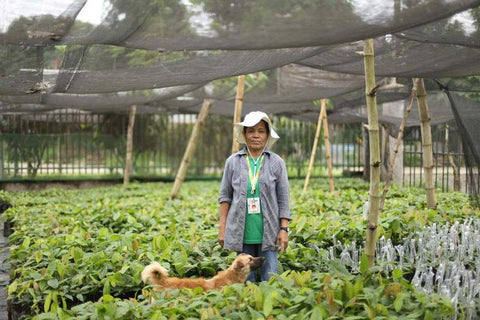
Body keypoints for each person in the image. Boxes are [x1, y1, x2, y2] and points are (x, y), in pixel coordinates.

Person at [218, 111, 291, 282]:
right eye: (251, 131)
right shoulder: (233, 162)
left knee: (270, 280)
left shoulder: (276, 162)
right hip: (241, 232)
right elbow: (225, 196)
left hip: (270, 232)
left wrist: (284, 229)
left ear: (267, 135)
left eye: (261, 131)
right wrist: (223, 228)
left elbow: (283, 198)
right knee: (245, 283)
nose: (256, 135)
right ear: (244, 134)